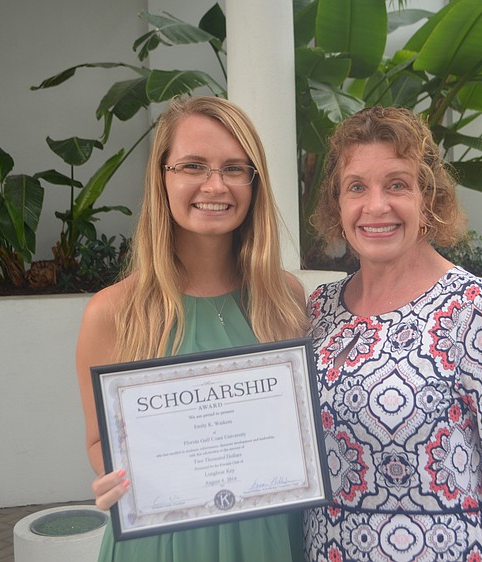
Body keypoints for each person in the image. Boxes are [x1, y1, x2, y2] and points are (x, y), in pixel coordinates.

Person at [75, 96, 308, 562]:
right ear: (162, 177)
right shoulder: (113, 312)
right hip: (165, 543)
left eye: (234, 168)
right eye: (193, 166)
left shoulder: (285, 297)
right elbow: (100, 441)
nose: (215, 185)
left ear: (254, 182)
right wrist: (119, 478)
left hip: (265, 537)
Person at [303, 106, 482, 562]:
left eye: (397, 184)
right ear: (338, 203)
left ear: (428, 197)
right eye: (357, 187)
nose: (376, 206)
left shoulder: (474, 311)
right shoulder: (321, 308)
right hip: (324, 549)